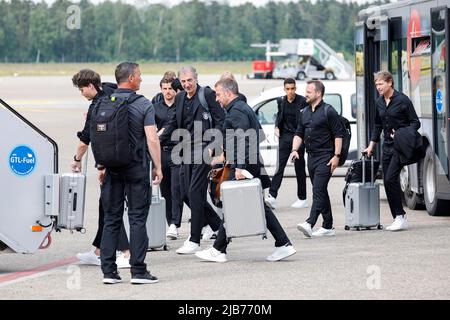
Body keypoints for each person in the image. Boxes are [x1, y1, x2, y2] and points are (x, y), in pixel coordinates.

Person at [195, 77, 296, 263]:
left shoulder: (236, 111)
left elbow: (242, 139)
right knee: (258, 206)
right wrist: (223, 157)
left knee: (233, 206)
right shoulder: (241, 108)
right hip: (249, 163)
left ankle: (218, 249)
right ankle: (283, 244)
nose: (216, 99)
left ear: (227, 92)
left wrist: (239, 167)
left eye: (218, 95)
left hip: (244, 166)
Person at [99, 62, 163, 284]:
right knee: (137, 219)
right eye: (139, 76)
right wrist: (158, 166)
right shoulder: (143, 103)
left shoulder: (104, 102)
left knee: (111, 219)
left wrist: (102, 166)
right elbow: (152, 138)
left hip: (112, 168)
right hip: (136, 167)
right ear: (131, 78)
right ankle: (138, 271)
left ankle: (109, 272)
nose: (141, 79)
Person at [70, 69, 130, 269]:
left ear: (90, 86)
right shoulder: (112, 92)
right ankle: (98, 250)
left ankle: (126, 253)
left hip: (114, 163)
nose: (82, 94)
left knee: (111, 207)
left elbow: (86, 139)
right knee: (105, 206)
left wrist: (76, 159)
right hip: (122, 159)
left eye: (81, 89)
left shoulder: (98, 105)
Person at [160, 66, 223, 254]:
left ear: (196, 79)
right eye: (184, 81)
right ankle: (217, 225)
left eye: (190, 80)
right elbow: (172, 124)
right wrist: (155, 140)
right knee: (186, 193)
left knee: (195, 192)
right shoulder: (179, 98)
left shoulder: (207, 95)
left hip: (204, 149)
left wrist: (213, 146)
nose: (187, 84)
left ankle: (194, 239)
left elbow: (221, 121)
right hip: (185, 149)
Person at [363, 70, 420, 231]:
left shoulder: (403, 100)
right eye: (376, 84)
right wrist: (371, 145)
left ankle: (400, 216)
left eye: (380, 84)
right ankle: (398, 217)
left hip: (400, 147)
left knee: (389, 179)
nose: (378, 87)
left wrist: (401, 133)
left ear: (389, 82)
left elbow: (415, 123)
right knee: (388, 183)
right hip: (386, 147)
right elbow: (377, 125)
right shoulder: (379, 102)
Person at [291, 80, 343, 238]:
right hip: (311, 157)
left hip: (326, 157)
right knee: (321, 192)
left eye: (309, 91)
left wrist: (336, 156)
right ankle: (328, 226)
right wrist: (294, 150)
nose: (305, 94)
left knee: (318, 190)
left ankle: (309, 223)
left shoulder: (329, 111)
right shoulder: (304, 112)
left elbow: (338, 135)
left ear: (318, 93)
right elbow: (299, 133)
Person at [266, 78, 308, 209]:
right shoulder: (282, 101)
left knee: (299, 168)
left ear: (295, 88)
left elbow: (305, 120)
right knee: (280, 167)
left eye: (292, 88)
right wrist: (276, 127)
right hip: (285, 137)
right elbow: (280, 116)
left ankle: (302, 198)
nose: (290, 91)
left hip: (298, 137)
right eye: (288, 89)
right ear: (284, 89)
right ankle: (272, 196)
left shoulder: (302, 101)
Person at [153, 75, 183, 240]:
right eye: (164, 89)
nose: (167, 92)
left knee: (177, 189)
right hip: (162, 152)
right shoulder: (155, 107)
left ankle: (175, 224)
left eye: (170, 88)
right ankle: (170, 223)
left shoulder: (180, 105)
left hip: (178, 151)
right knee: (165, 191)